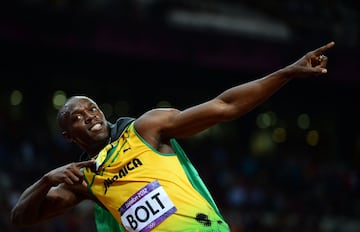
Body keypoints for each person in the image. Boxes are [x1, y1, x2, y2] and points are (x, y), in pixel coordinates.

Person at [10, 41, 335, 231]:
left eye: (92, 109)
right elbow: (21, 218)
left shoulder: (145, 128)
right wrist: (45, 181)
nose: (90, 117)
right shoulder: (86, 177)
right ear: (69, 136)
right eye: (78, 118)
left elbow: (224, 106)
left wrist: (287, 72)